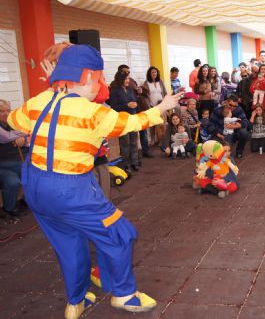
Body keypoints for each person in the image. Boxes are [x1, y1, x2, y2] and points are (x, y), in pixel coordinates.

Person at [8, 44, 182, 317]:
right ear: (89, 76)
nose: (99, 84)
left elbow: (13, 119)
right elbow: (133, 123)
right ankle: (123, 295)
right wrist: (163, 106)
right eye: (99, 78)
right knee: (120, 234)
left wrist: (52, 88)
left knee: (69, 244)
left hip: (35, 187)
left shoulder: (38, 101)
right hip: (70, 189)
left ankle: (75, 301)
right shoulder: (94, 113)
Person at [109, 71, 140, 174]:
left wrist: (135, 104)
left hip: (132, 118)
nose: (128, 81)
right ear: (121, 79)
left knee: (133, 142)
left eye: (128, 79)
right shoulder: (114, 91)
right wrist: (127, 105)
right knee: (125, 143)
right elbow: (114, 107)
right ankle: (126, 165)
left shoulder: (130, 90)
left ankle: (134, 162)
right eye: (126, 79)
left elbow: (134, 100)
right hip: (122, 120)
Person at [0, 99, 26, 217]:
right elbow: (7, 137)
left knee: (12, 181)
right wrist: (22, 133)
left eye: (8, 110)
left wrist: (23, 139)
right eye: (1, 111)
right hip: (3, 163)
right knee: (28, 170)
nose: (6, 114)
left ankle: (9, 207)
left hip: (12, 165)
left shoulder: (11, 123)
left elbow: (27, 135)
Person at [207, 94, 250, 158]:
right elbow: (210, 126)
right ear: (227, 102)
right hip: (219, 133)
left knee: (244, 133)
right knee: (210, 150)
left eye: (235, 106)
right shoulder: (217, 110)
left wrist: (235, 126)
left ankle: (239, 152)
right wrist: (217, 134)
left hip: (234, 133)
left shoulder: (238, 110)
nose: (232, 107)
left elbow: (245, 122)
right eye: (230, 105)